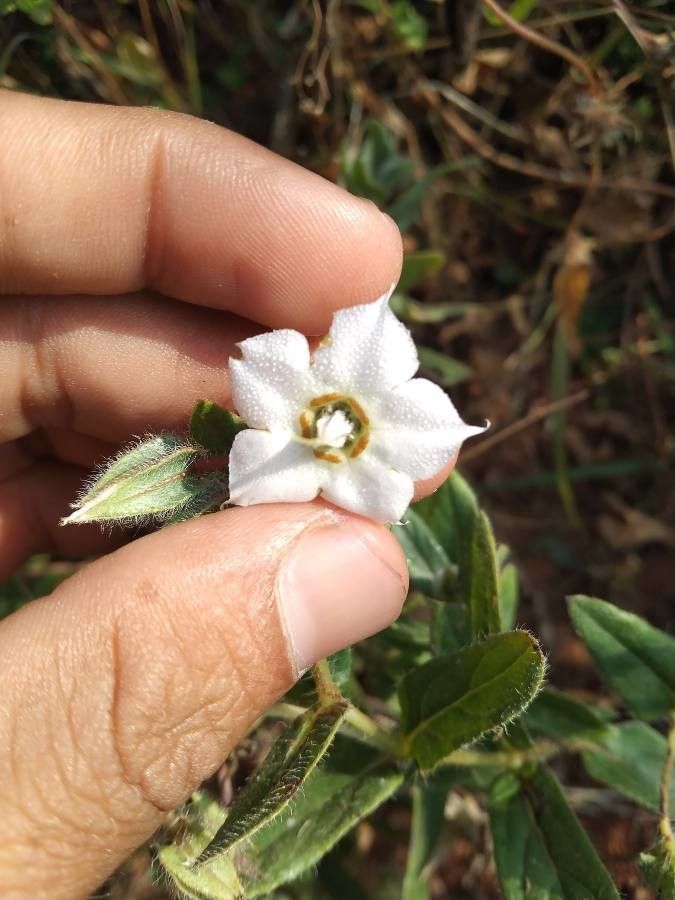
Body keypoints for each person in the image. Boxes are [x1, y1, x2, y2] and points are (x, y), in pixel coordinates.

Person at [0, 90, 452, 899]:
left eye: (342, 426)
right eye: (331, 423)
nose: (334, 432)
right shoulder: (268, 430)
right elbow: (254, 434)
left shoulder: (350, 417)